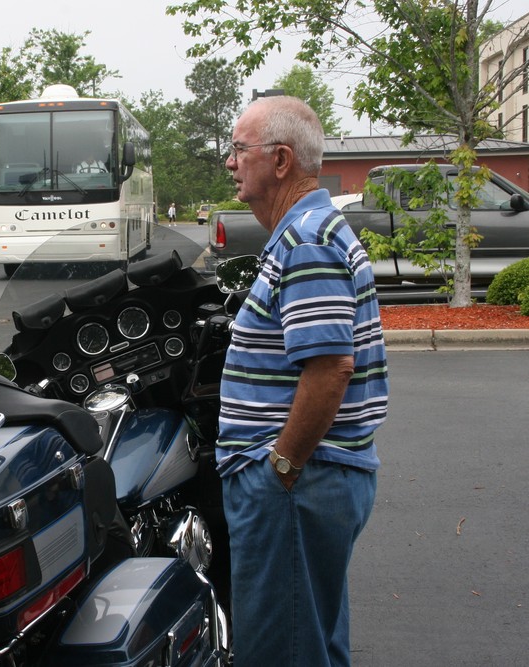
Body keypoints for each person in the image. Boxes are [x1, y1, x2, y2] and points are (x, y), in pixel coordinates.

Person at [216, 96, 389, 666]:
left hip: (297, 483)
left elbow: (330, 367)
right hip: (307, 483)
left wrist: (281, 469)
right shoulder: (305, 231)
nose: (230, 162)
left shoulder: (308, 239)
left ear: (282, 160)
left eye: (240, 149)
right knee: (311, 642)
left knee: (280, 651)